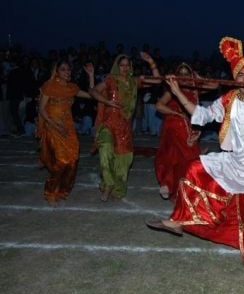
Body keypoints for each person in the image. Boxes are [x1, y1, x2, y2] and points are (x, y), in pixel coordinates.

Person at [146, 36, 244, 275]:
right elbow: (201, 115)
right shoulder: (229, 98)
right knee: (195, 169)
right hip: (235, 161)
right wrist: (178, 93)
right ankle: (179, 220)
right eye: (241, 75)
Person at [87, 52, 161, 201]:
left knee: (124, 159)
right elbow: (92, 91)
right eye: (122, 65)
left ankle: (117, 187)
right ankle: (108, 184)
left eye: (128, 65)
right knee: (105, 151)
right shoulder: (110, 79)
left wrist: (151, 62)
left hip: (125, 127)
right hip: (108, 123)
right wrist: (107, 101)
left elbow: (157, 81)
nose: (125, 68)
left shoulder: (134, 81)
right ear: (117, 66)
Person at [37, 60, 94, 206]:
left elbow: (92, 95)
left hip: (68, 127)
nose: (67, 72)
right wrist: (54, 124)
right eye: (63, 69)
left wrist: (91, 76)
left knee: (73, 159)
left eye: (68, 69)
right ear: (56, 71)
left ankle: (62, 190)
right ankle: (50, 192)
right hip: (53, 126)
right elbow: (42, 109)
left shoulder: (71, 88)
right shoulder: (49, 86)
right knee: (61, 161)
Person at [154, 63, 211, 200]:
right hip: (174, 125)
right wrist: (177, 113)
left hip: (190, 126)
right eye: (182, 74)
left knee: (184, 157)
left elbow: (214, 86)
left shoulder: (195, 88)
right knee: (175, 154)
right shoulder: (173, 91)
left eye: (187, 73)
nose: (184, 77)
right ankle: (168, 184)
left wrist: (199, 78)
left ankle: (174, 186)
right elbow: (159, 105)